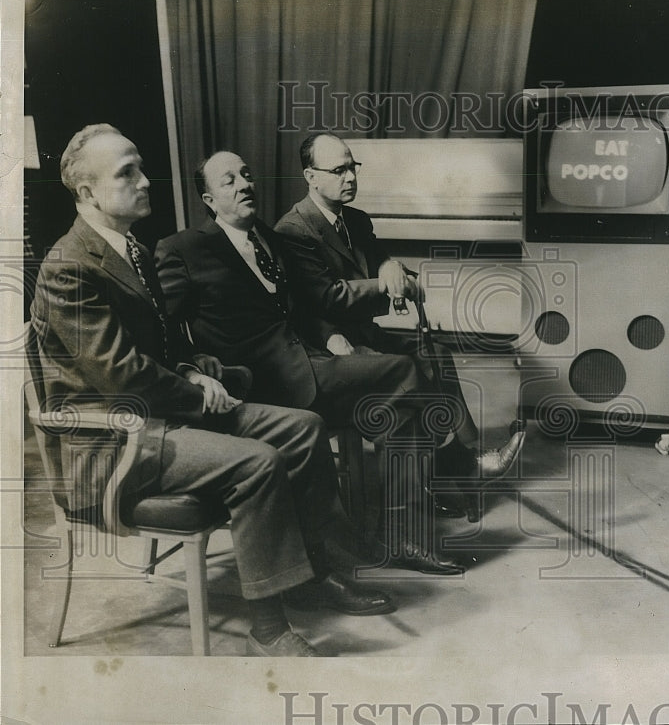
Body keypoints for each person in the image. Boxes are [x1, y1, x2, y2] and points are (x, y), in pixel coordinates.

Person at [30, 124, 394, 658]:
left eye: (140, 166)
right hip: (111, 445)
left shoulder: (130, 247)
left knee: (303, 428)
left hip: (159, 419)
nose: (144, 180)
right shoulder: (69, 266)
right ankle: (268, 628)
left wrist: (194, 367)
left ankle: (319, 574)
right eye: (126, 173)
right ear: (87, 193)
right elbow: (120, 375)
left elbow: (158, 345)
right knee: (258, 462)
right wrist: (196, 393)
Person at [154, 150, 519, 574]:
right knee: (405, 370)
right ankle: (455, 462)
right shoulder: (185, 249)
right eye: (229, 181)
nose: (244, 185)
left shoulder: (269, 238)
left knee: (399, 408)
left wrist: (331, 335)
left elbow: (306, 307)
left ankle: (403, 536)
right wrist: (192, 369)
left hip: (310, 364)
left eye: (247, 174)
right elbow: (161, 328)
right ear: (209, 200)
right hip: (263, 386)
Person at [274, 133, 524, 520]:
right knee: (412, 374)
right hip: (323, 348)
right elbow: (326, 298)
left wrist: (393, 267)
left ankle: (462, 459)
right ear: (311, 176)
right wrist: (384, 282)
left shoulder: (354, 219)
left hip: (361, 333)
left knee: (435, 353)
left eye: (352, 167)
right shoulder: (294, 230)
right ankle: (457, 467)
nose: (350, 177)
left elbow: (386, 264)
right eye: (338, 170)